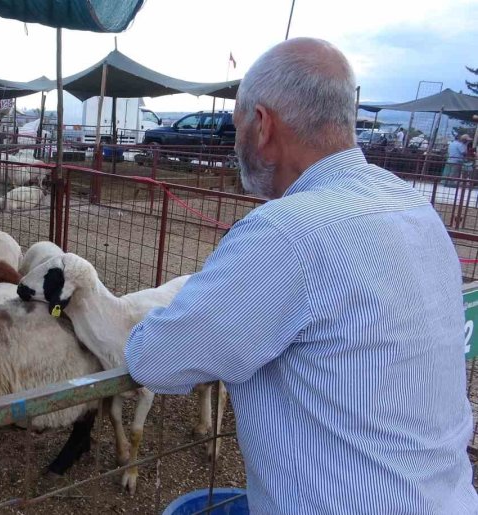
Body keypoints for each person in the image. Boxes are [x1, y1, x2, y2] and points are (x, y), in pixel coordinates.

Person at [124, 38, 477, 514]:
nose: (236, 144)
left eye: (236, 129)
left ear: (262, 125)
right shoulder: (412, 205)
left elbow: (155, 360)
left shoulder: (286, 232)